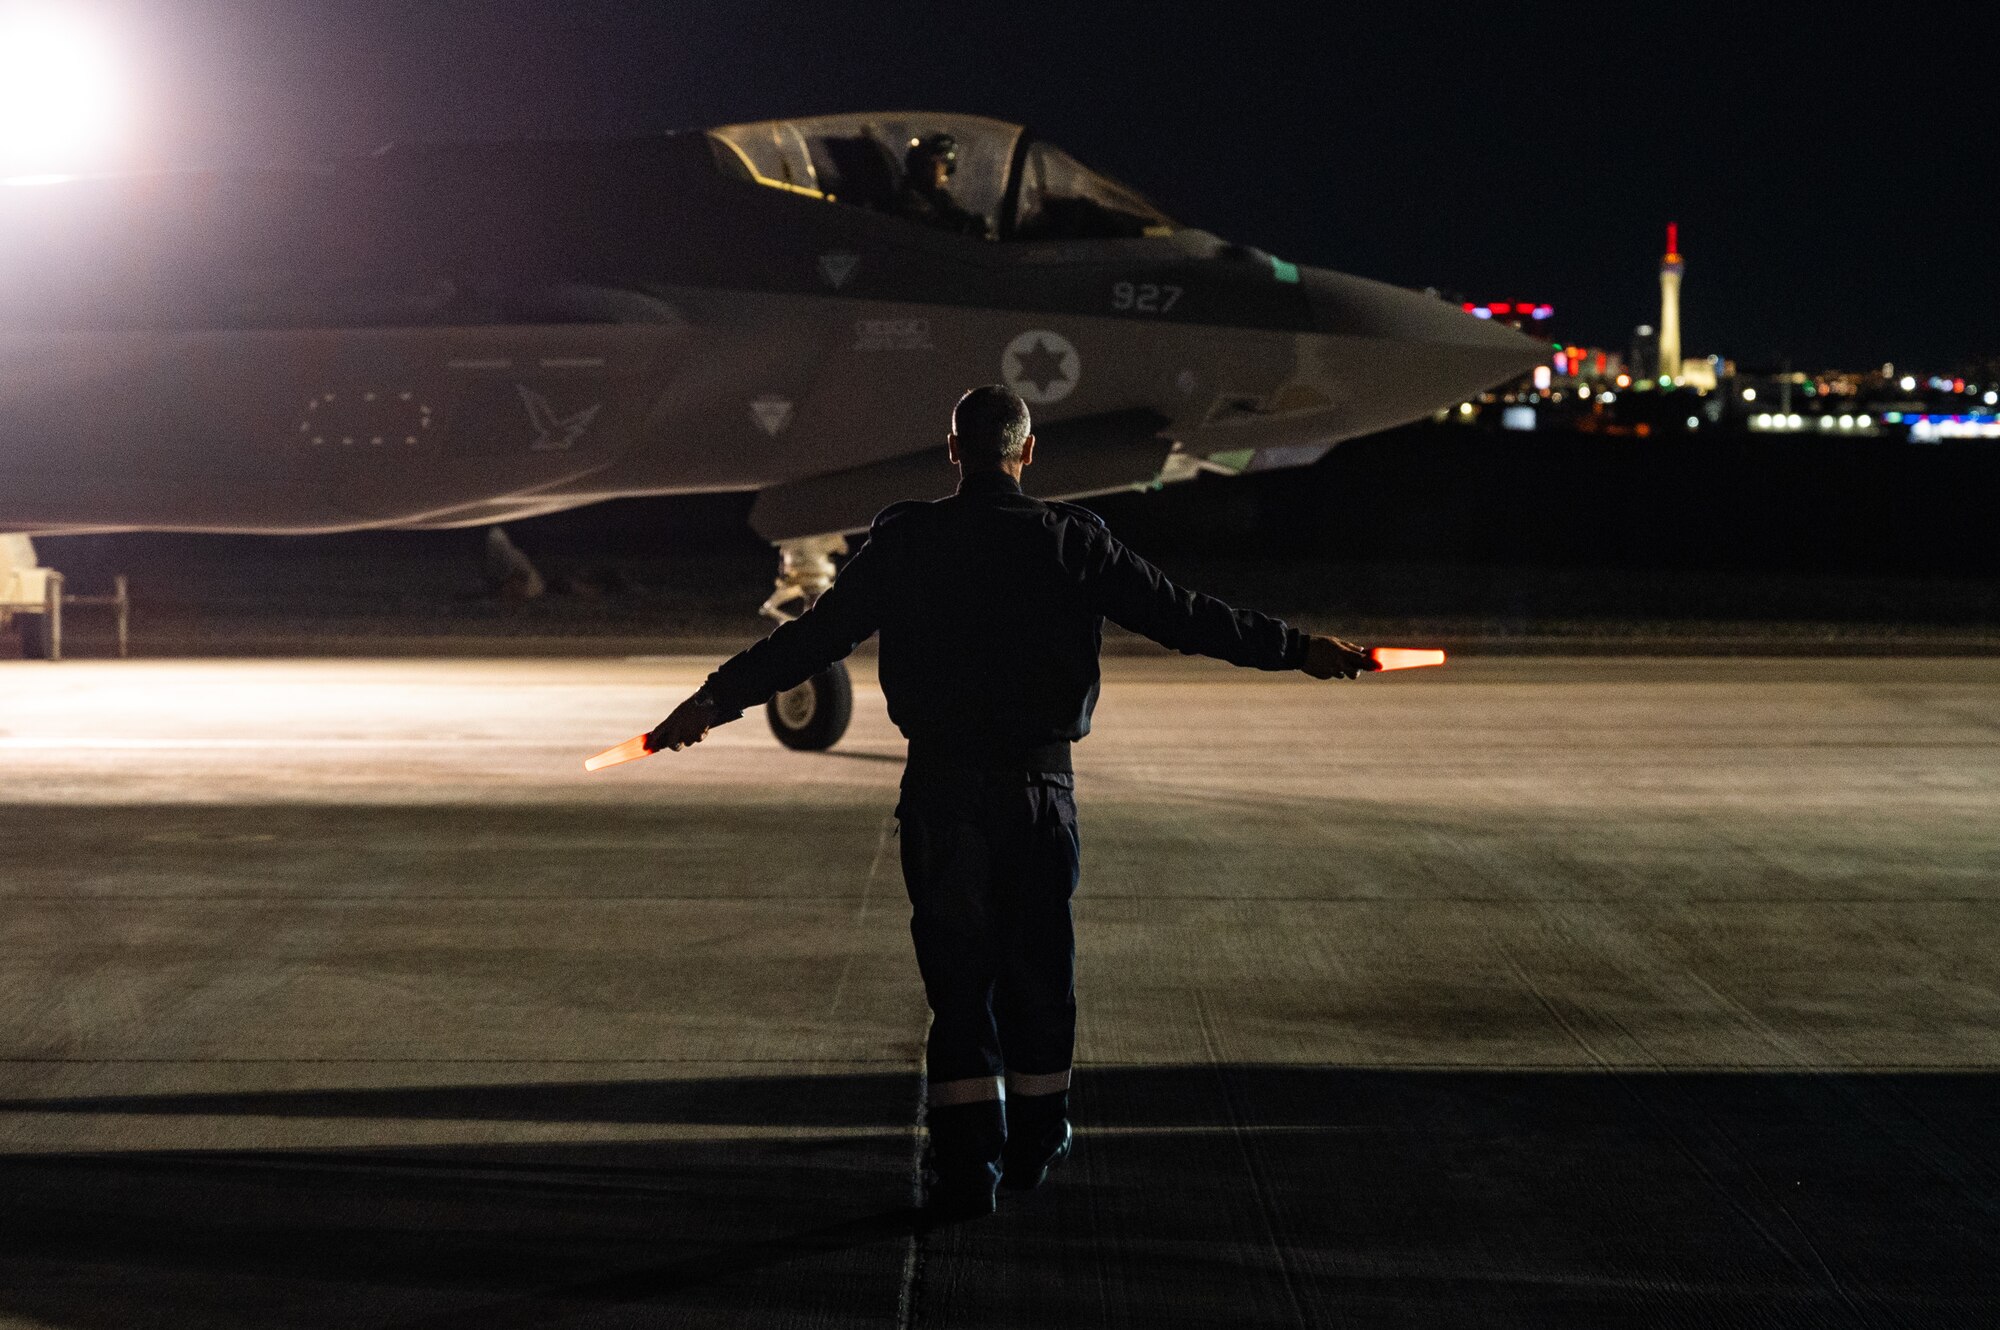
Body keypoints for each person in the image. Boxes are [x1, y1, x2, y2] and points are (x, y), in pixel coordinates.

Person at [649, 386, 1377, 1220]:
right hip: (1039, 792)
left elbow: (810, 639)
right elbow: (1188, 618)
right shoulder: (1073, 542)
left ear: (953, 451)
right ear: (1027, 454)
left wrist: (710, 703)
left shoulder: (906, 544)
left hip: (942, 795)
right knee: (1041, 974)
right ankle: (1038, 1137)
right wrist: (1301, 650)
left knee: (959, 985)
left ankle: (967, 1170)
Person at [894, 133, 990, 238]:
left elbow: (955, 214)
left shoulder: (939, 196)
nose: (944, 172)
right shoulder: (911, 197)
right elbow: (937, 228)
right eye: (940, 163)